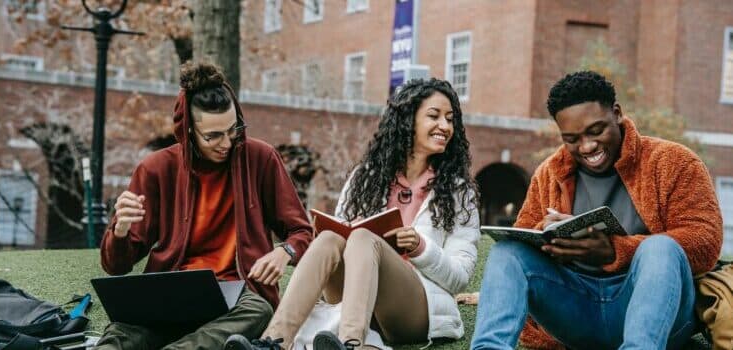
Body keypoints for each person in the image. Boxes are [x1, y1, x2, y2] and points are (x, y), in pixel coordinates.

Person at [470, 71, 723, 350]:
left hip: (657, 316)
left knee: (661, 248)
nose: (587, 146)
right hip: (578, 312)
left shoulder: (675, 162)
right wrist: (547, 234)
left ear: (617, 113)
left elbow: (705, 242)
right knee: (508, 252)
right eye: (572, 138)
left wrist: (615, 250)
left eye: (596, 130)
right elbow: (525, 238)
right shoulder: (549, 173)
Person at [225, 78, 481, 350]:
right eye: (434, 116)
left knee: (363, 238)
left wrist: (421, 247)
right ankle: (273, 341)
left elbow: (460, 276)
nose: (445, 126)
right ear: (407, 120)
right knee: (329, 239)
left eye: (450, 119)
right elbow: (341, 236)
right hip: (354, 298)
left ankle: (351, 343)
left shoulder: (458, 191)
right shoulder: (365, 177)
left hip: (415, 309)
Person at [94, 62, 313, 350]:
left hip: (237, 293)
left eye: (233, 129)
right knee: (121, 334)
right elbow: (116, 266)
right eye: (213, 136)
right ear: (188, 131)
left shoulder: (262, 158)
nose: (227, 142)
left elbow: (301, 231)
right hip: (172, 291)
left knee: (259, 311)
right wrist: (120, 231)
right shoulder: (156, 169)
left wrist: (284, 252)